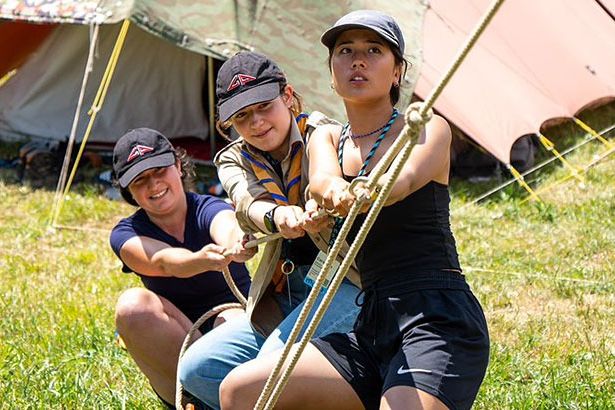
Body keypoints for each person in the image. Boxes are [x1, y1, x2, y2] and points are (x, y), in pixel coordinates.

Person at [218, 10, 490, 410]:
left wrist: (363, 191)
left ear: (397, 72)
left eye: (373, 50)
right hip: (370, 320)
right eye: (345, 51)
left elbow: (402, 181)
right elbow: (322, 182)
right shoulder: (326, 136)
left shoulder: (426, 129)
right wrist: (332, 195)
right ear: (331, 73)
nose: (357, 60)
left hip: (435, 316)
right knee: (239, 391)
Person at [178, 51, 362, 409]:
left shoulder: (329, 136)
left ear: (288, 97)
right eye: (242, 116)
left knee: (268, 376)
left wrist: (322, 200)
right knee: (196, 369)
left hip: (347, 282)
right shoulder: (233, 158)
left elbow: (328, 180)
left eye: (264, 106)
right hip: (284, 291)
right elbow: (247, 203)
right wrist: (279, 217)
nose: (257, 122)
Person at [109, 128, 255, 407]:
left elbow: (226, 225)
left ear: (177, 166)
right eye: (140, 180)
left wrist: (236, 242)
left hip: (229, 315)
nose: (153, 185)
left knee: (232, 321)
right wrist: (201, 259)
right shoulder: (126, 235)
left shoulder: (209, 207)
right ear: (128, 191)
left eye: (159, 171)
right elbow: (163, 262)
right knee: (132, 305)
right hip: (169, 334)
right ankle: (188, 399)